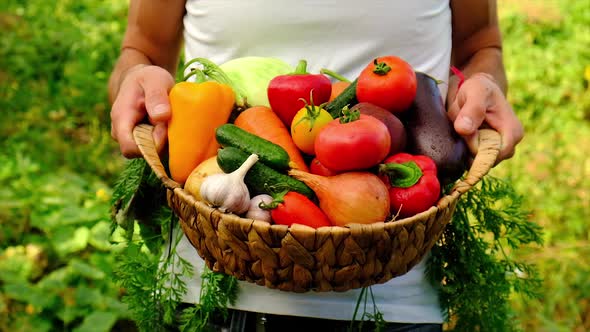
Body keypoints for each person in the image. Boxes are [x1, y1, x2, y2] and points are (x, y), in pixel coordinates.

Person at [108, 1, 524, 331]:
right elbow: (142, 47)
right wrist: (135, 77)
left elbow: (481, 45)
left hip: (398, 298)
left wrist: (482, 84)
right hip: (213, 286)